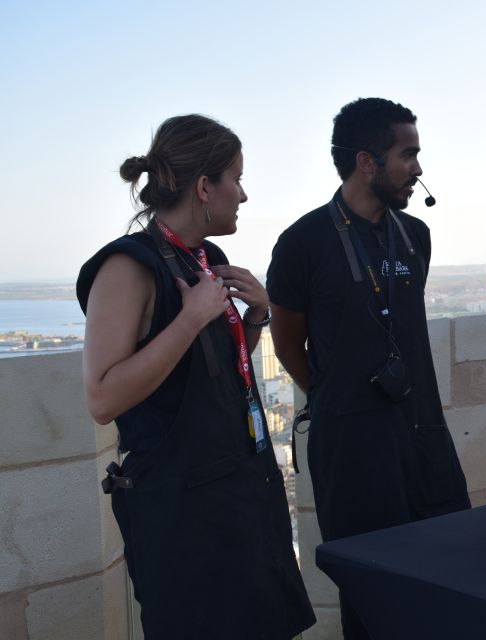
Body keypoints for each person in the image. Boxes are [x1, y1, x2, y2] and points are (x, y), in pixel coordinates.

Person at [77, 115, 315, 639]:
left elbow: (210, 370)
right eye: (236, 178)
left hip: (240, 496)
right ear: (205, 187)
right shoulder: (128, 267)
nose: (245, 195)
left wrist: (254, 318)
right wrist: (190, 317)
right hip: (184, 516)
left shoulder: (208, 260)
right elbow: (102, 397)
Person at [267, 98, 470, 639]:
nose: (419, 169)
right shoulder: (302, 244)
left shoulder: (415, 235)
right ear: (366, 162)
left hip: (424, 439)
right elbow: (287, 344)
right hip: (353, 454)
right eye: (408, 155)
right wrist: (338, 398)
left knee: (444, 583)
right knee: (371, 601)